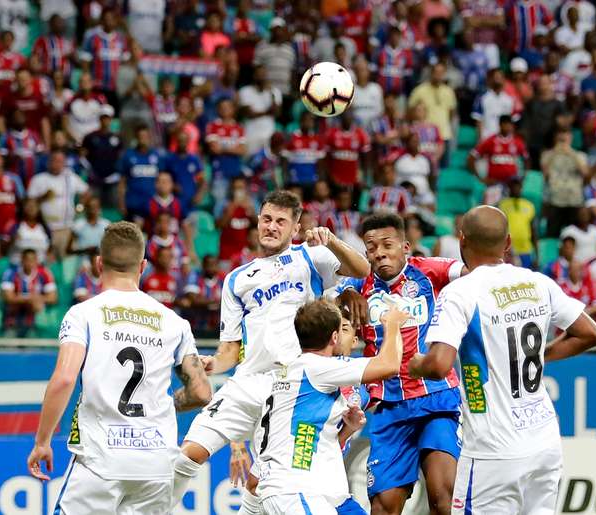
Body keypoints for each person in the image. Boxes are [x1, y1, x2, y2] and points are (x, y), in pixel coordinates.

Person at [172, 190, 370, 514]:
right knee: (189, 453)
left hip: (289, 387)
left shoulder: (311, 256)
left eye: (281, 221)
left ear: (295, 228)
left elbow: (362, 269)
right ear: (258, 222)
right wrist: (212, 364)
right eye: (266, 219)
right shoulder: (237, 279)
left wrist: (330, 240)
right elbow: (230, 351)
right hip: (247, 381)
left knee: (259, 482)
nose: (271, 227)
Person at [408, 205, 596, 514]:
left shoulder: (461, 292)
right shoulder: (539, 283)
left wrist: (413, 362)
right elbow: (591, 333)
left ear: (461, 241)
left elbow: (438, 365)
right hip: (544, 442)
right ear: (508, 242)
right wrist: (541, 355)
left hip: (492, 450)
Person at [27, 221, 212, 514]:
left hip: (101, 461)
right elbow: (202, 392)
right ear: (143, 266)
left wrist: (42, 441)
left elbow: (64, 379)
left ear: (99, 264)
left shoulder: (83, 314)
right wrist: (164, 404)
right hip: (156, 463)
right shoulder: (175, 323)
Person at [335, 213, 465, 515]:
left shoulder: (431, 271)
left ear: (405, 246)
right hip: (387, 406)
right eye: (371, 247)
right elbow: (327, 302)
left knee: (444, 500)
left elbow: (475, 271)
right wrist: (345, 292)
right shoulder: (356, 285)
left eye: (387, 244)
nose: (379, 252)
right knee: (383, 508)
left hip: (436, 398)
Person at [256, 300, 408, 515]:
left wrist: (348, 429)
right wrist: (392, 325)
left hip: (325, 494)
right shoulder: (317, 367)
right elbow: (390, 365)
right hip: (296, 491)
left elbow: (312, 438)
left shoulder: (295, 371)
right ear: (334, 338)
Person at [28, 150, 90, 258]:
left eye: (60, 161)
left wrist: (80, 207)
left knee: (67, 263)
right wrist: (43, 197)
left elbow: (86, 191)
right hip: (45, 229)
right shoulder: (39, 179)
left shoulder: (70, 177)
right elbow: (28, 204)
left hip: (66, 228)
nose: (57, 163)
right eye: (54, 160)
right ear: (48, 162)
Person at [1, 248, 57, 337]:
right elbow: (8, 297)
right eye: (27, 260)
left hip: (35, 312)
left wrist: (34, 299)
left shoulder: (44, 273)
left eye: (32, 260)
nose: (29, 263)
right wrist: (31, 299)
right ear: (22, 260)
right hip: (15, 313)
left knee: (40, 309)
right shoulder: (11, 273)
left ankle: (38, 337)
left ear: (36, 261)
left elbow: (52, 298)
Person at [499, 177, 538, 269]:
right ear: (509, 188)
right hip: (508, 251)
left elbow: (533, 231)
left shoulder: (529, 205)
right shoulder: (502, 205)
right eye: (513, 186)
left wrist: (536, 255)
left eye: (518, 186)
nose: (516, 189)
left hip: (526, 249)